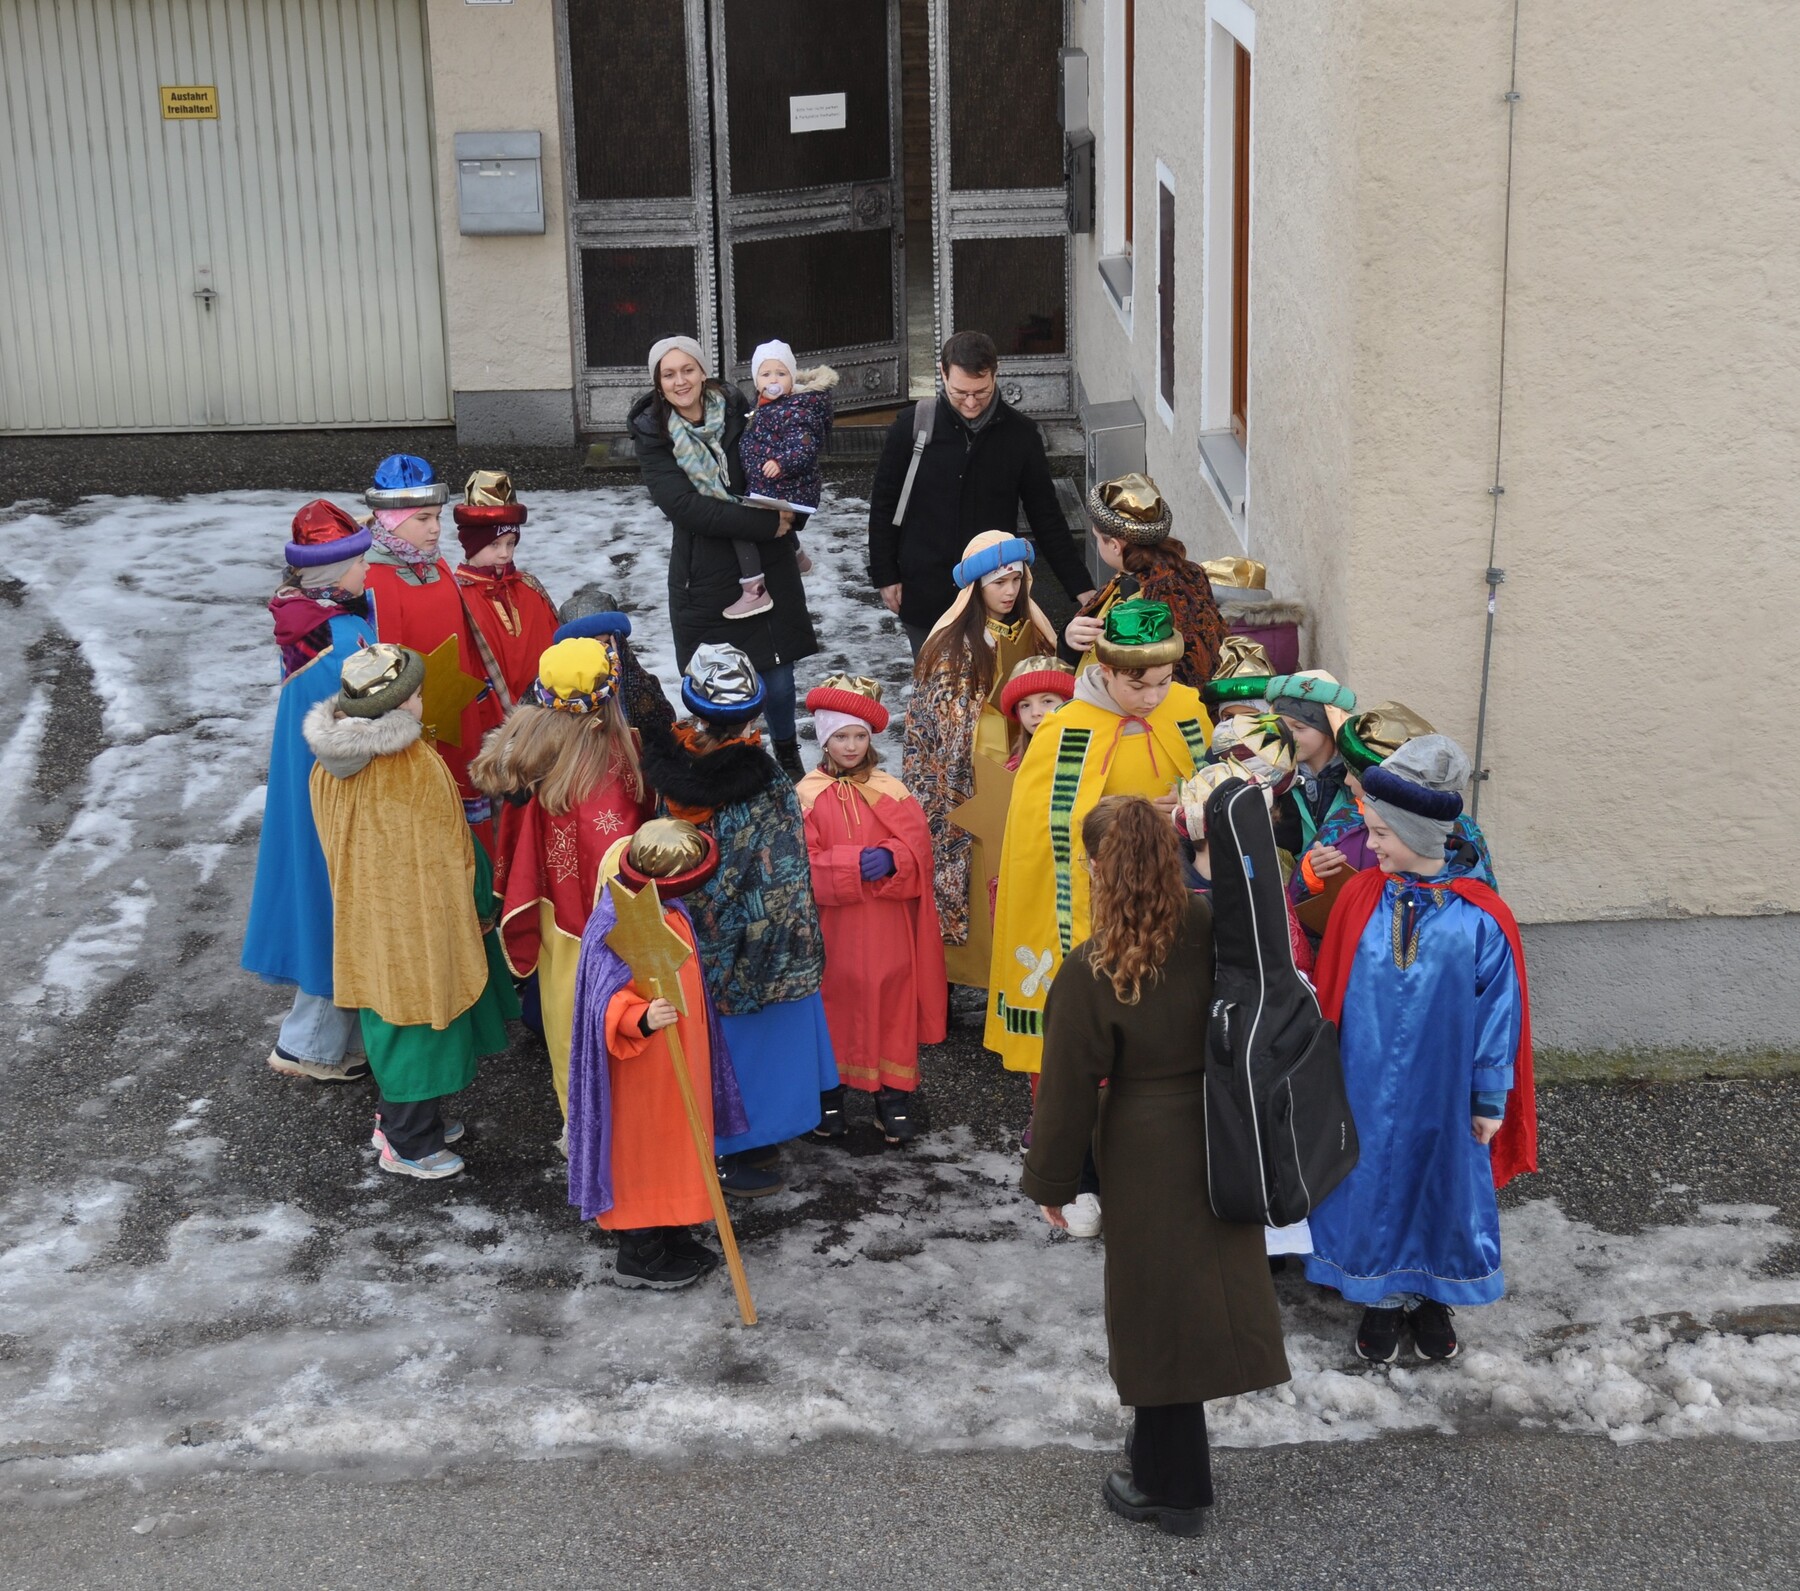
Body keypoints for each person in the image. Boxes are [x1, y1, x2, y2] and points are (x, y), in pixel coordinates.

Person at [1023, 796, 1289, 1536]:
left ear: (1097, 868)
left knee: (1156, 1314)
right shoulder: (1214, 928)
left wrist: (1053, 1181)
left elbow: (1067, 1090)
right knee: (1200, 1300)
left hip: (1144, 1148)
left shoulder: (1093, 968)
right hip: (1222, 1130)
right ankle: (1159, 1459)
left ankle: (1173, 1490)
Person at [1305, 735, 1538, 1364]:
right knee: (1372, 1180)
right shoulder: (1361, 896)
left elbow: (1498, 1014)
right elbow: (1331, 989)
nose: (1371, 843)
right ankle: (1380, 1295)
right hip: (1363, 1082)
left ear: (1418, 834)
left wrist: (1489, 1097)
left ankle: (1434, 1294)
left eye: (1382, 833)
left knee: (1442, 1183)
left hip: (1446, 1089)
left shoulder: (1480, 918)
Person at [304, 644, 517, 1179]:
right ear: (398, 705)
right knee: (418, 1020)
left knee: (392, 1014)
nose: (423, 701)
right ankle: (408, 1142)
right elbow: (447, 847)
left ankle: (400, 1119)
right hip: (416, 919)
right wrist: (478, 898)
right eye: (418, 694)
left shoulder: (331, 763)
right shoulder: (407, 766)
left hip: (370, 915)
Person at [638, 643, 839, 1194]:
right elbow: (777, 867)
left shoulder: (673, 771)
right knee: (755, 1050)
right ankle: (734, 1146)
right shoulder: (761, 781)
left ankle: (732, 1137)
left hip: (697, 937)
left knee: (718, 1043)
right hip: (767, 942)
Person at [985, 600, 1212, 1077]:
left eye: (1164, 681)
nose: (1153, 698)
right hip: (1104, 899)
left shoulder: (1186, 710)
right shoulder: (1065, 729)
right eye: (1138, 686)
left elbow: (1212, 781)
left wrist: (1193, 800)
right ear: (1106, 670)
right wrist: (1130, 817)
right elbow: (1042, 833)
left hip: (1180, 890)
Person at [472, 637, 654, 1134]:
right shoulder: (624, 755)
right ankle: (612, 1132)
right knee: (612, 1022)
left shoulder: (534, 762)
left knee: (567, 1024)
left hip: (558, 922)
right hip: (614, 927)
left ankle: (581, 1127)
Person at [566, 819, 750, 1289]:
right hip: (643, 1067)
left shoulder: (671, 909)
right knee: (644, 1148)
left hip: (683, 1056)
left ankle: (671, 1225)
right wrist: (640, 1018)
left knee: (680, 1141)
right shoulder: (618, 921)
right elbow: (601, 1000)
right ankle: (640, 1248)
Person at [630, 335, 819, 779]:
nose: (680, 381)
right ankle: (730, 770)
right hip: (705, 575)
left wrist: (792, 511)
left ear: (703, 371)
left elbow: (785, 465)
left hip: (768, 565)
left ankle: (787, 759)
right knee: (719, 687)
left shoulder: (739, 410)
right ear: (658, 383)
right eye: (669, 374)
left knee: (778, 679)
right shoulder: (654, 434)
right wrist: (766, 524)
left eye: (688, 370)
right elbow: (685, 507)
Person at [243, 499, 378, 1084]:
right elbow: (364, 715)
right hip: (337, 787)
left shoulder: (312, 623)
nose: (368, 570)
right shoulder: (338, 639)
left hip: (313, 781)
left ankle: (335, 1042)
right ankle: (309, 1047)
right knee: (336, 904)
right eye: (360, 563)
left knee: (331, 901)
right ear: (336, 573)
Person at [867, 330, 1096, 657]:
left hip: (995, 594)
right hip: (925, 589)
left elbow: (1046, 517)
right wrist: (886, 575)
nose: (971, 403)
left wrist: (1081, 587)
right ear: (943, 373)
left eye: (981, 392)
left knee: (995, 680)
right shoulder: (911, 427)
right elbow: (884, 505)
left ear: (995, 374)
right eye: (960, 393)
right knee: (933, 679)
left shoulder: (1021, 436)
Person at [903, 532, 1058, 990]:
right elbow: (945, 731)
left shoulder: (1035, 631)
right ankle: (969, 975)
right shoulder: (951, 648)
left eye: (1017, 580)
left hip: (1029, 768)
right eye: (999, 583)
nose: (1010, 592)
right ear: (976, 588)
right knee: (975, 875)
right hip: (976, 783)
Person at [795, 677, 947, 1144]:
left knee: (892, 1001)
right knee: (832, 1003)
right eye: (841, 736)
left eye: (859, 736)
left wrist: (894, 858)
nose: (851, 746)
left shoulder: (891, 790)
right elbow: (798, 864)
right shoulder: (806, 795)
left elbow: (920, 853)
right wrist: (849, 865)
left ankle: (892, 1096)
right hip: (833, 929)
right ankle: (829, 1096)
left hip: (886, 925)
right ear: (824, 738)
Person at [360, 453, 504, 849]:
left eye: (437, 517)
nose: (436, 528)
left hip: (459, 716)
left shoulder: (437, 567)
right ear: (391, 519)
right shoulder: (373, 580)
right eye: (423, 519)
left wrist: (484, 711)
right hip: (412, 728)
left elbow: (465, 646)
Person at [1059, 475, 1228, 691]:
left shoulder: (1139, 601)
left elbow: (1123, 680)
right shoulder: (1188, 572)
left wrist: (1067, 646)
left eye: (1097, 537)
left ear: (1115, 545)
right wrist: (1069, 637)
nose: (1098, 544)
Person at [725, 339, 835, 619]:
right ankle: (799, 558)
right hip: (773, 485)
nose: (773, 380)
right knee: (771, 517)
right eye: (766, 374)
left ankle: (754, 590)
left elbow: (804, 447)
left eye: (781, 373)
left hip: (788, 486)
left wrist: (781, 463)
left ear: (792, 378)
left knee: (740, 526)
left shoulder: (796, 410)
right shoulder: (764, 405)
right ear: (756, 381)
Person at [452, 470, 561, 712]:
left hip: (545, 712)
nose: (505, 553)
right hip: (492, 717)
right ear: (471, 544)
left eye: (511, 543)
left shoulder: (529, 588)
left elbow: (555, 642)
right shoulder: (458, 597)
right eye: (494, 544)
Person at [1266, 670, 1359, 855]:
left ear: (1329, 727)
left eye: (1299, 727)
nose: (1287, 735)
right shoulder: (1271, 778)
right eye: (1280, 726)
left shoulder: (1355, 782)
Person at [998, 655, 1076, 770]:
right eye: (1025, 705)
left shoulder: (1094, 757)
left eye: (1047, 701)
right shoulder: (1014, 769)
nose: (1035, 712)